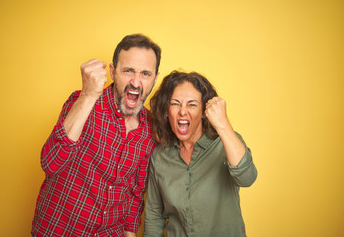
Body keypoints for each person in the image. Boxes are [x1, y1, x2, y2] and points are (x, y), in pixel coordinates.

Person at [31, 34, 161, 237]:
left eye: (145, 73)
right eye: (128, 71)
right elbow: (50, 163)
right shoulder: (82, 102)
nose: (136, 82)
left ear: (155, 78)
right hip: (58, 230)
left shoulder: (150, 128)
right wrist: (87, 95)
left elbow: (136, 194)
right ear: (112, 71)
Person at [143, 71, 258, 237]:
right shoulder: (160, 156)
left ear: (205, 111)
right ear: (166, 110)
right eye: (175, 104)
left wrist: (223, 123)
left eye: (192, 104)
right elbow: (154, 216)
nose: (183, 112)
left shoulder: (226, 142)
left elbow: (247, 178)